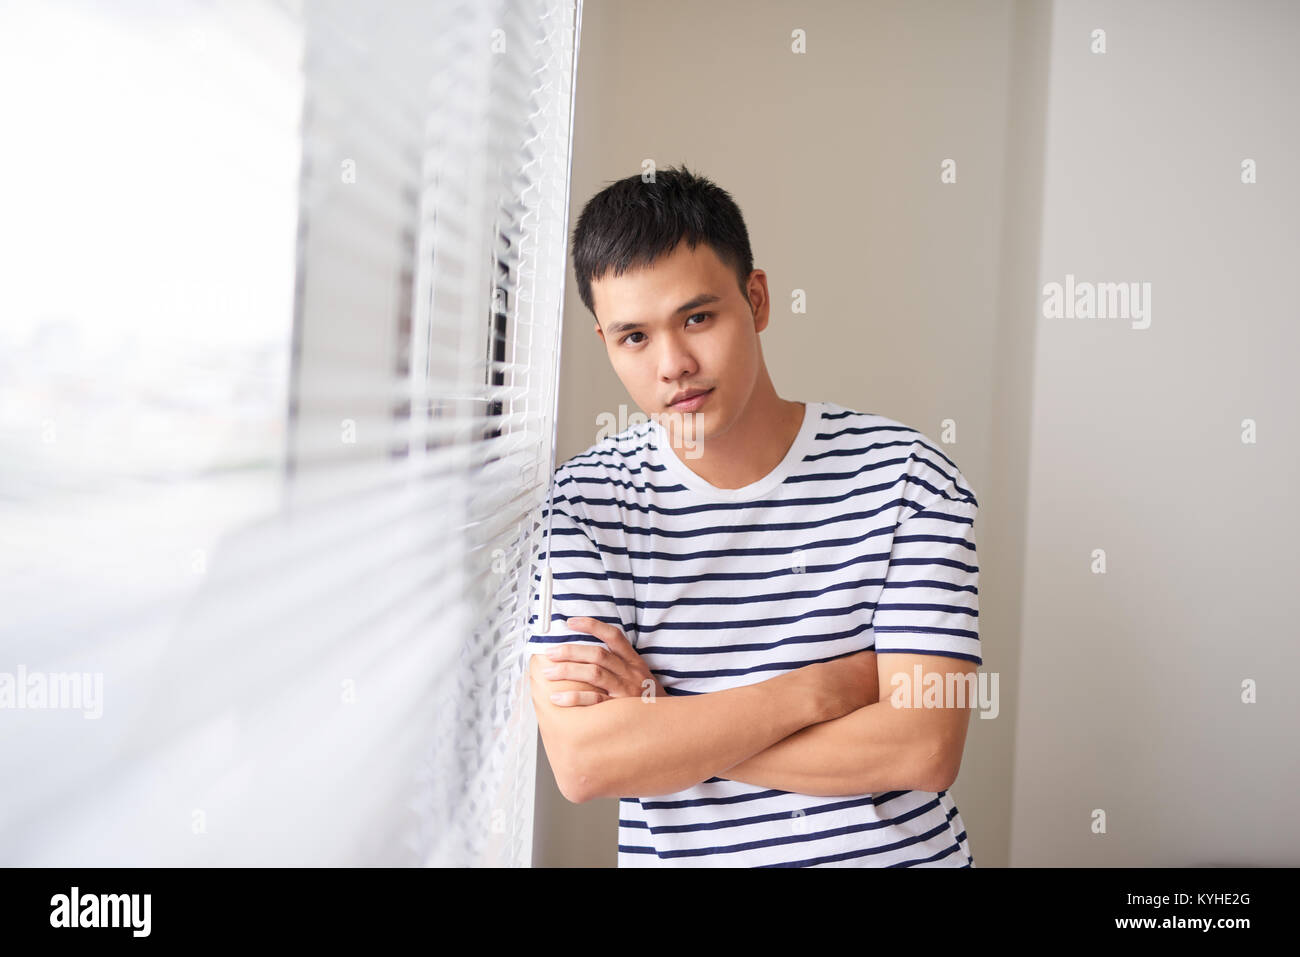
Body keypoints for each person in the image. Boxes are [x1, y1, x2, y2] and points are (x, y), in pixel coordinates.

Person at [525, 164, 982, 867]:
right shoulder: (583, 506)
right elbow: (587, 761)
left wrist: (664, 721)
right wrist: (821, 688)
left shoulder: (906, 476)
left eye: (697, 317)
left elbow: (923, 746)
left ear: (758, 299)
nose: (673, 363)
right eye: (634, 337)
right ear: (607, 344)